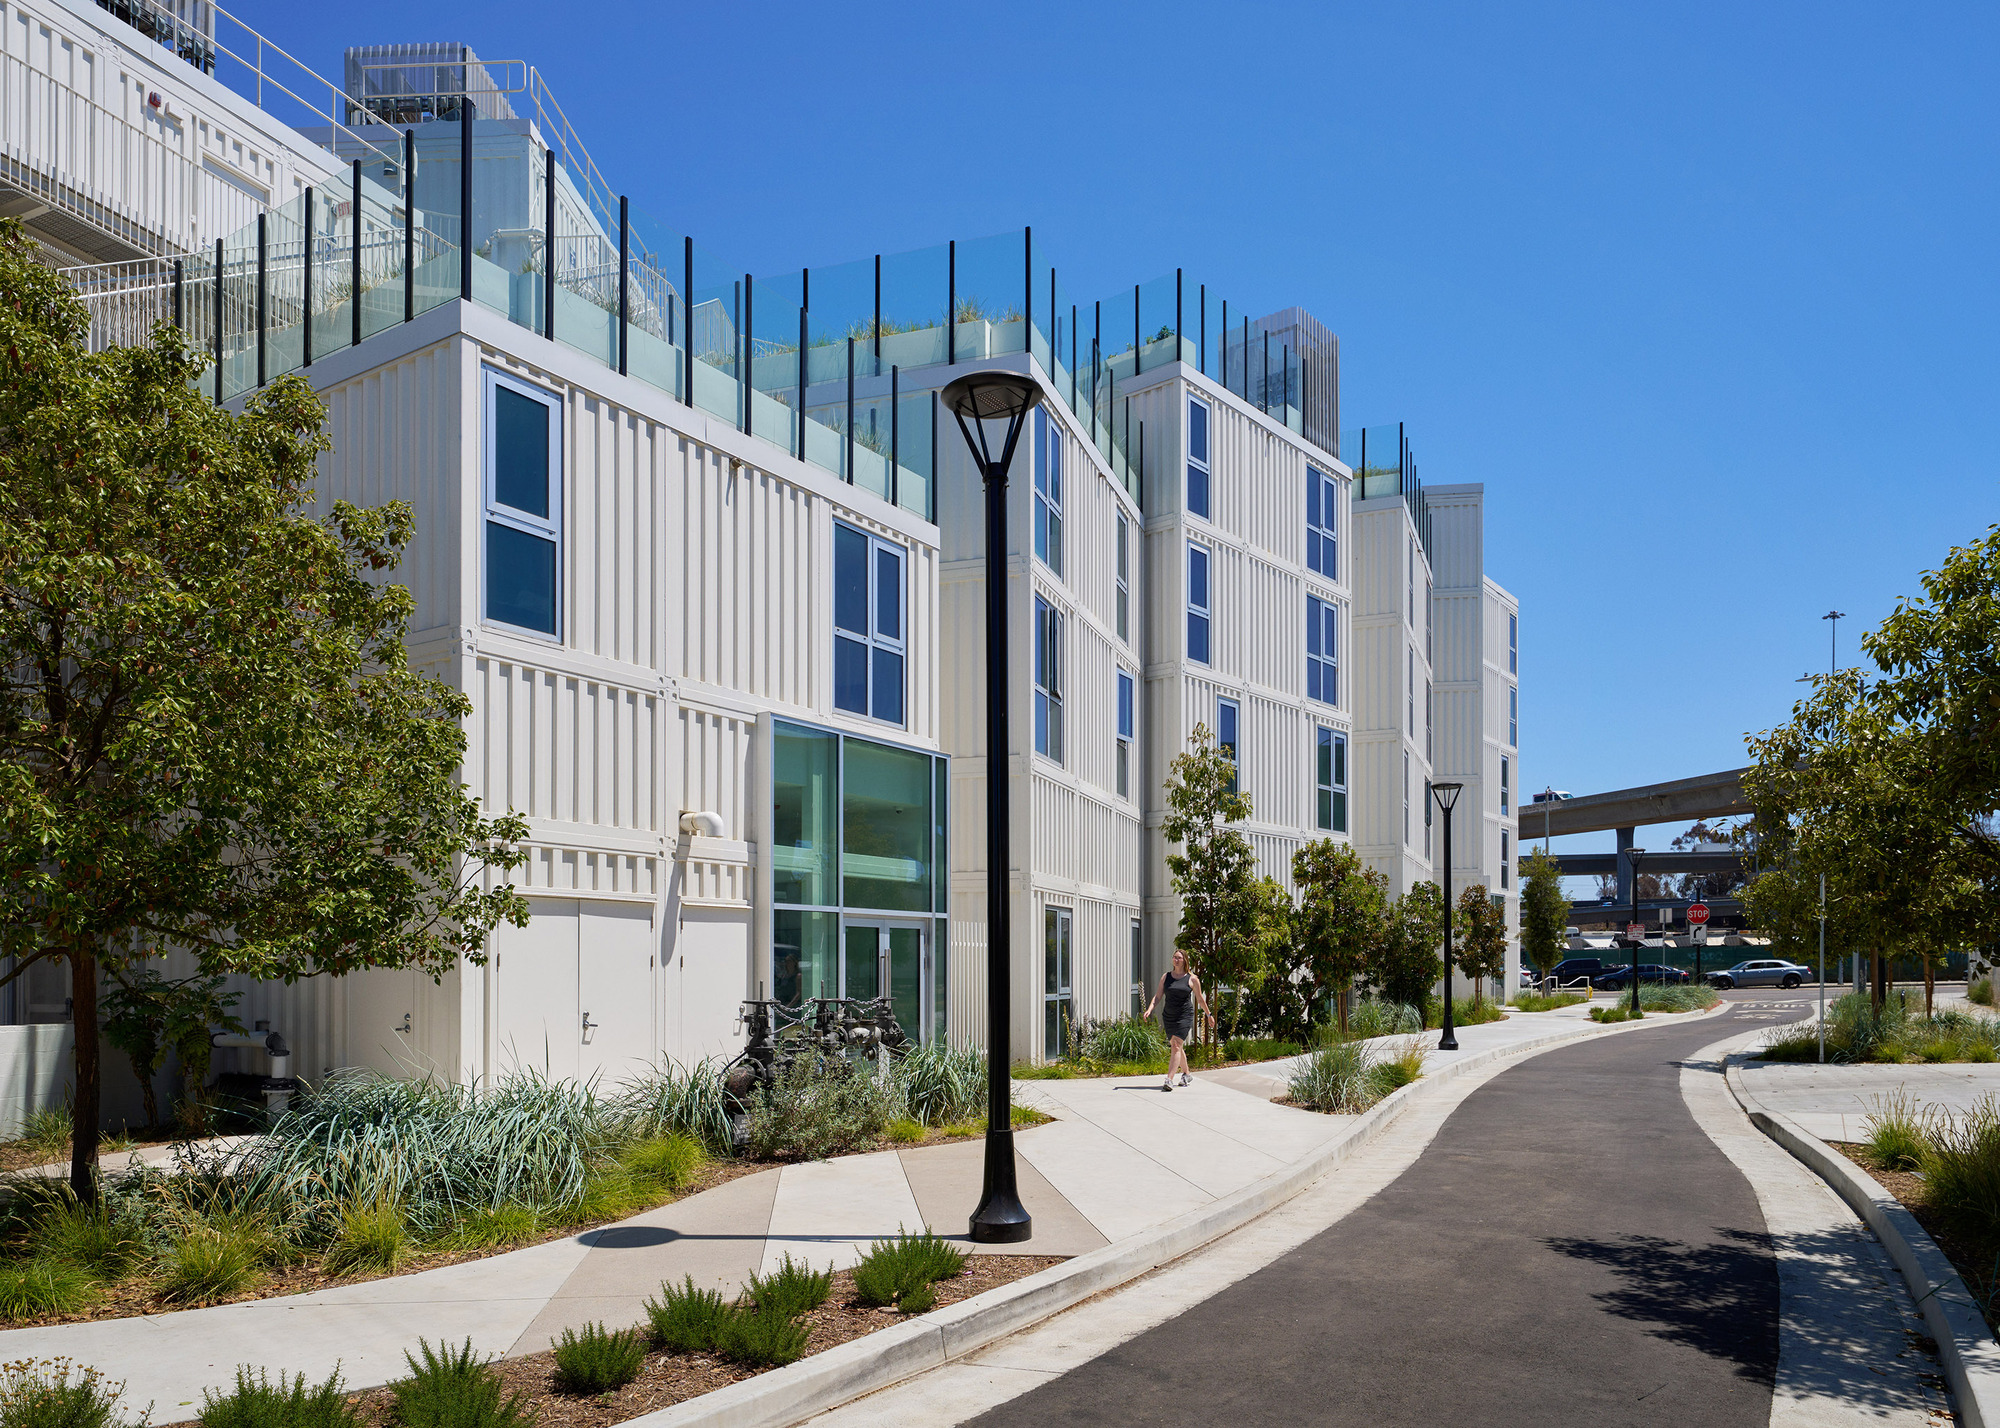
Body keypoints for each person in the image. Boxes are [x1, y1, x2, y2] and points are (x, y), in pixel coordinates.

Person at [1142, 949, 1215, 1091]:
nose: (1176, 960)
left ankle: (1169, 1079)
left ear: (1184, 960)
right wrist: (1150, 1009)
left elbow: (1200, 999)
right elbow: (1158, 996)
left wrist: (1209, 1014)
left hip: (1184, 1016)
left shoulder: (1192, 978)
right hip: (1169, 1016)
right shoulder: (1166, 977)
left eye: (1179, 958)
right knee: (1177, 1047)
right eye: (1174, 957)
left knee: (1175, 1045)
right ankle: (1187, 1074)